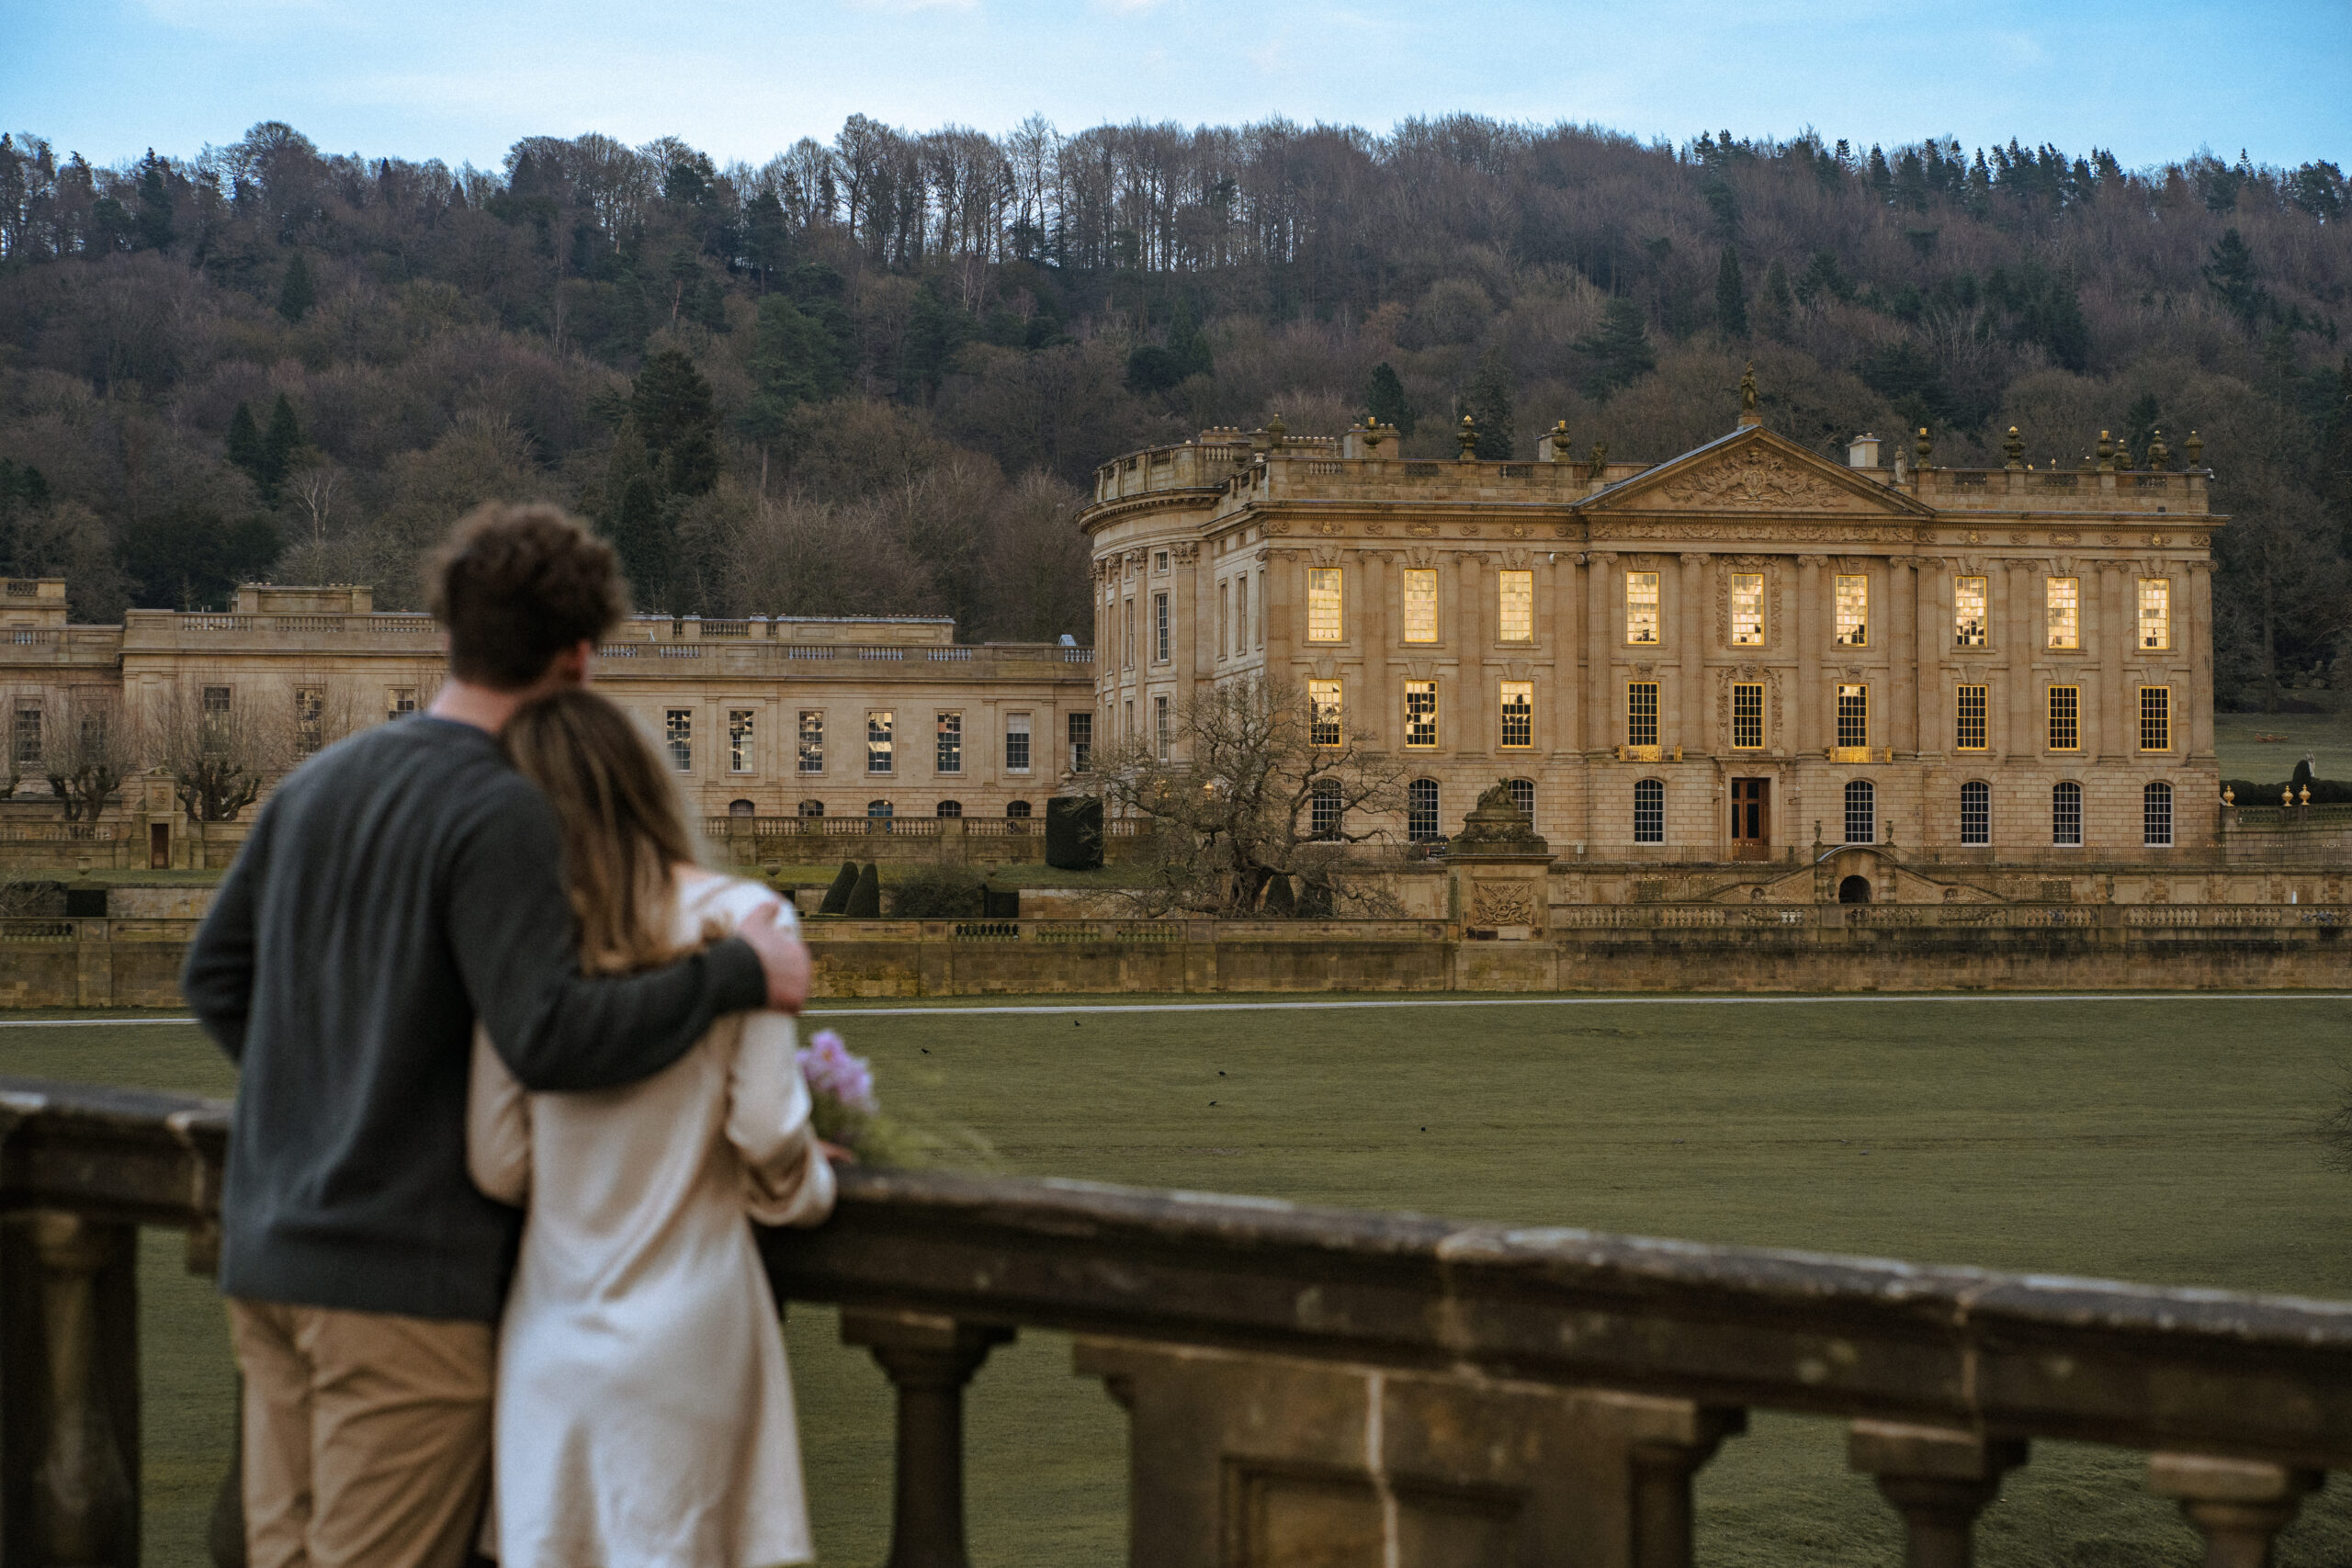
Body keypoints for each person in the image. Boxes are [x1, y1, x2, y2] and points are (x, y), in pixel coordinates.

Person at [182, 502, 812, 1568]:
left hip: (268, 1252)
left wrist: (326, 1098)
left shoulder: (316, 784)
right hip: (398, 1284)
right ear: (580, 658)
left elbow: (216, 979)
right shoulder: (501, 809)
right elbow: (550, 1035)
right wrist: (737, 972)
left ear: (445, 635)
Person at [467, 689, 834, 1568]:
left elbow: (496, 1157)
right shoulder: (747, 919)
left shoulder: (526, 938)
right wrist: (812, 1182)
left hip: (552, 1333)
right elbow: (764, 1136)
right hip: (693, 1335)